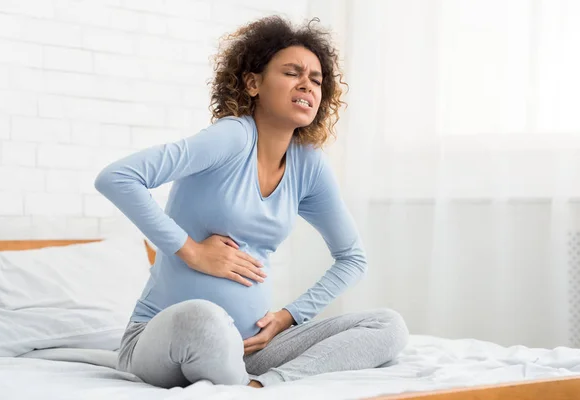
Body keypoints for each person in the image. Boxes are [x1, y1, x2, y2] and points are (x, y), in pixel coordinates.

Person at [94, 15, 408, 389]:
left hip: (251, 349)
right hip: (165, 340)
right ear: (253, 83)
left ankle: (262, 387)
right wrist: (191, 251)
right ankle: (241, 385)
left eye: (317, 79)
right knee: (205, 318)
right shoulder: (230, 138)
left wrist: (288, 317)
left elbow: (352, 258)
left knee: (388, 326)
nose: (307, 83)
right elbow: (117, 177)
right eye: (292, 72)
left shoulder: (308, 164)